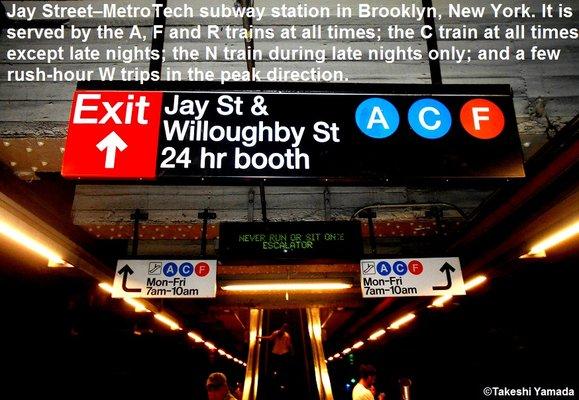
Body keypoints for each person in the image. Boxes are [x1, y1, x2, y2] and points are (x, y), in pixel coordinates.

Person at [257, 323, 293, 390]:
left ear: (285, 329)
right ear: (282, 327)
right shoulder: (276, 333)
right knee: (275, 367)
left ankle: (280, 381)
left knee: (281, 368)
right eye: (283, 328)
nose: (283, 329)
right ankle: (274, 379)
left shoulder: (287, 336)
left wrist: (290, 347)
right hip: (276, 352)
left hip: (282, 353)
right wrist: (260, 337)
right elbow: (270, 338)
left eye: (284, 329)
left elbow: (288, 345)